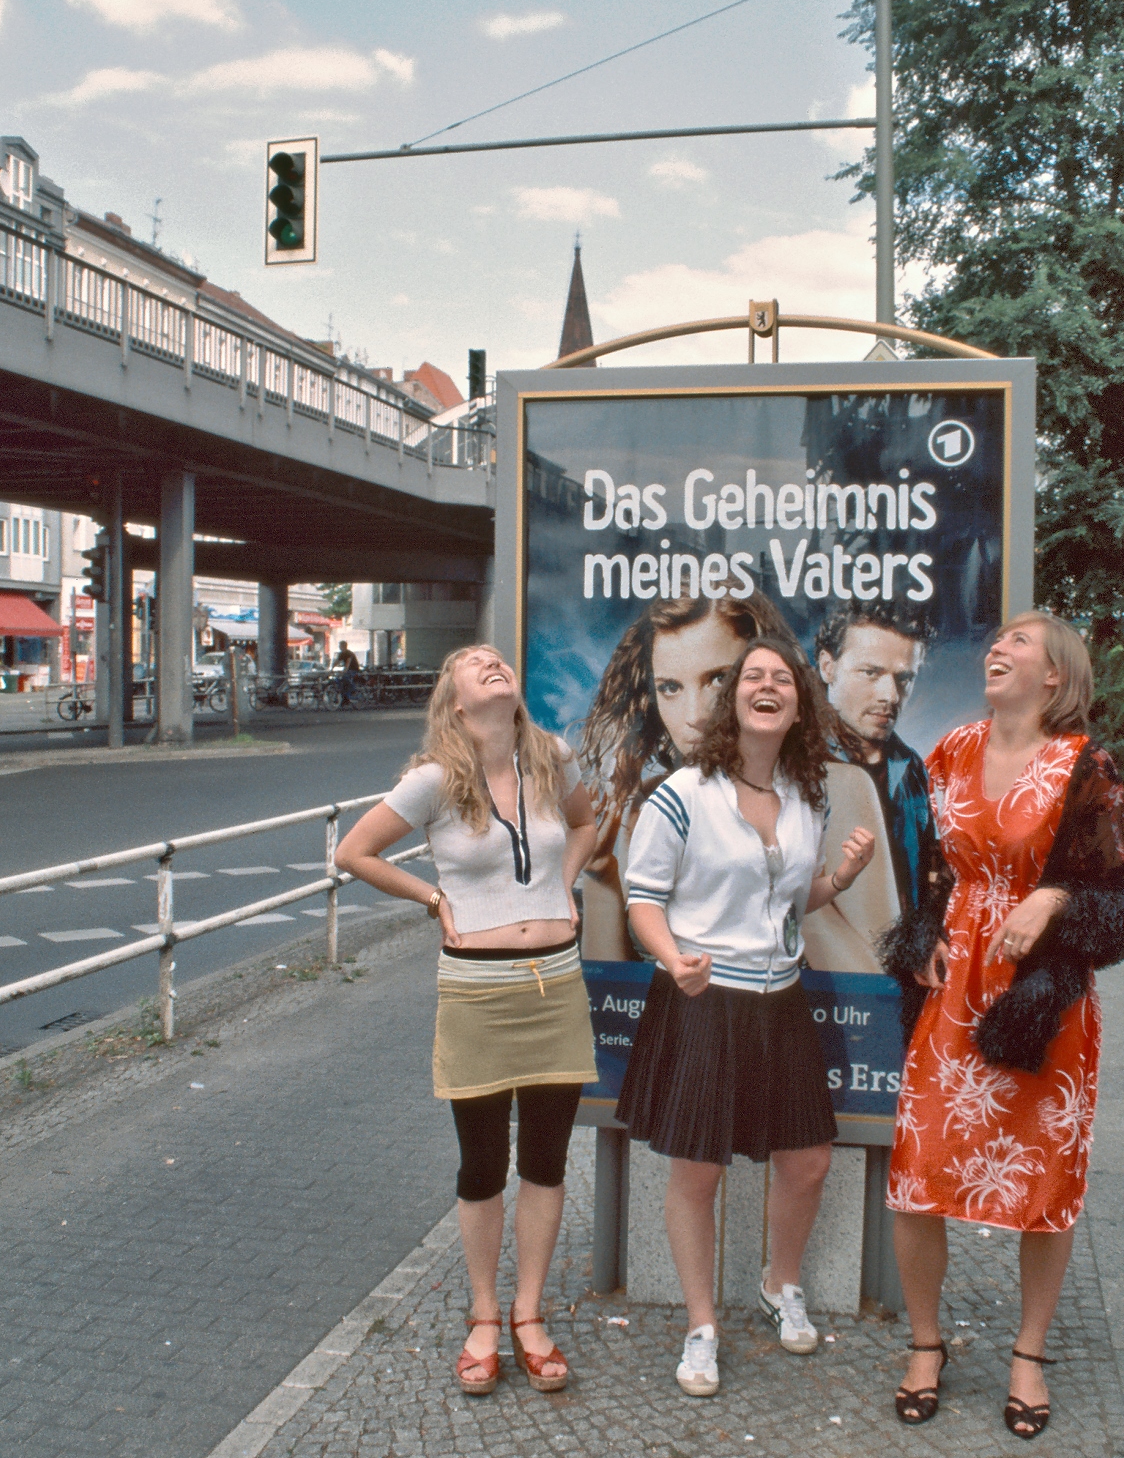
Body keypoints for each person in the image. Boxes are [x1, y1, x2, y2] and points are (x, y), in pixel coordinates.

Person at [881, 613, 1124, 1436]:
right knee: (916, 1171)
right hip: (954, 986)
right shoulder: (950, 750)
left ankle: (1027, 1354)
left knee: (1045, 1181)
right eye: (996, 640)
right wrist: (922, 936)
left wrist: (1055, 895)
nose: (998, 648)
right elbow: (924, 866)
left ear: (1055, 677)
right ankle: (925, 1344)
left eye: (1019, 644)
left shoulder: (1086, 767)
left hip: (1043, 999)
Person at [614, 635, 875, 1395]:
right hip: (703, 999)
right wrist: (671, 958)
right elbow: (641, 900)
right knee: (697, 1171)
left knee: (809, 1160)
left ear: (798, 704)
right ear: (733, 701)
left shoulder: (805, 797)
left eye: (781, 679)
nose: (767, 686)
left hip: (780, 1000)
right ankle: (701, 1326)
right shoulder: (680, 793)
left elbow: (790, 906)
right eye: (752, 676)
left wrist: (838, 878)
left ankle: (777, 1282)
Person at [335, 645, 598, 1396]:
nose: (491, 663)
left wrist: (564, 884)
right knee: (482, 1163)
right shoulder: (434, 782)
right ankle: (483, 1315)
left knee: (545, 1161)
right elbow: (355, 851)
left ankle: (527, 1314)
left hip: (556, 982)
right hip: (476, 992)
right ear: (455, 702)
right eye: (473, 662)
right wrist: (431, 900)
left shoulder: (551, 759)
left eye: (497, 658)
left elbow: (586, 826)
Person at [574, 593, 794, 961]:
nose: (695, 715)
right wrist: (601, 877)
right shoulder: (649, 803)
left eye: (719, 678)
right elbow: (616, 988)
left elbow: (861, 983)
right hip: (675, 1010)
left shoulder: (819, 791)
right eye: (670, 687)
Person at [804, 607, 937, 977]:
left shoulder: (911, 766)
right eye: (871, 673)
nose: (890, 695)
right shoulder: (795, 759)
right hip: (819, 979)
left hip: (900, 974)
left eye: (903, 679)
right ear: (828, 667)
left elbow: (925, 873)